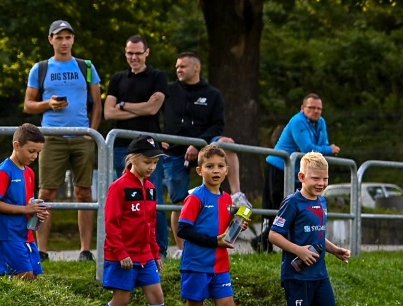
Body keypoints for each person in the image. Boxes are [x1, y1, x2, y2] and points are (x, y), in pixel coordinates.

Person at [268, 152, 353, 306]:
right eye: (316, 178)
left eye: (325, 179)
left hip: (320, 275)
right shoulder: (292, 203)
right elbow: (273, 235)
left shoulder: (322, 202)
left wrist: (335, 250)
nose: (321, 184)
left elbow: (318, 235)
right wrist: (299, 251)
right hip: (297, 276)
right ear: (301, 177)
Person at [23, 20, 101, 262]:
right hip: (51, 137)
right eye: (59, 37)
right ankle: (41, 250)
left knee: (84, 192)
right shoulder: (41, 68)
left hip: (81, 136)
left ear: (73, 40)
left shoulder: (86, 66)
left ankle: (85, 250)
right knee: (46, 192)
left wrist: (92, 131)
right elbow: (28, 105)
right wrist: (49, 104)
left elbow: (98, 103)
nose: (64, 42)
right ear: (51, 40)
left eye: (68, 37)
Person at [163, 53, 245, 250]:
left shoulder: (213, 94)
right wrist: (161, 137)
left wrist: (199, 145)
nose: (178, 70)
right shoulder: (169, 91)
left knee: (227, 142)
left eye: (183, 66)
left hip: (205, 145)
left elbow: (218, 125)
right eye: (177, 67)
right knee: (178, 202)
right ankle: (182, 250)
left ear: (196, 68)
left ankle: (236, 194)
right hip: (174, 151)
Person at [176, 144, 250, 306]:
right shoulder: (196, 197)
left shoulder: (228, 199)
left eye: (220, 166)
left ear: (227, 169)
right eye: (209, 166)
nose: (215, 171)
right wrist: (214, 242)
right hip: (197, 265)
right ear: (200, 171)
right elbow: (183, 229)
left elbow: (225, 229)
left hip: (220, 266)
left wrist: (238, 225)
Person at [101, 136, 167, 306]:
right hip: (123, 256)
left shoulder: (152, 188)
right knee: (121, 300)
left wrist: (155, 253)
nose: (151, 167)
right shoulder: (119, 187)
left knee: (157, 296)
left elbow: (151, 225)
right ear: (132, 158)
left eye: (155, 162)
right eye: (147, 162)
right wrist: (121, 253)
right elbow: (112, 223)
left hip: (146, 255)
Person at [0, 124, 50, 281]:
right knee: (24, 275)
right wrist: (25, 209)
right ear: (16, 145)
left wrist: (37, 211)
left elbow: (28, 203)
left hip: (26, 232)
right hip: (8, 233)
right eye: (31, 151)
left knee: (33, 275)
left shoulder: (29, 172)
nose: (35, 156)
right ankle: (5, 299)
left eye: (38, 152)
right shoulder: (4, 171)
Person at [102, 35, 168, 172]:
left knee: (150, 191)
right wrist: (142, 109)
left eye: (138, 53)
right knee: (124, 190)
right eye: (130, 53)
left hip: (150, 146)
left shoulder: (158, 77)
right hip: (122, 146)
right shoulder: (117, 78)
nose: (133, 57)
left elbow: (152, 109)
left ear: (147, 52)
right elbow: (108, 113)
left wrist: (123, 105)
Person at [265, 94, 340, 211]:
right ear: (302, 108)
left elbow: (323, 144)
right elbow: (308, 149)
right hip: (279, 168)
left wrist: (325, 148)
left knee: (298, 211)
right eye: (311, 107)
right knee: (277, 211)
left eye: (319, 109)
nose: (316, 111)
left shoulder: (321, 122)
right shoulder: (297, 121)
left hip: (298, 172)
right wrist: (329, 149)